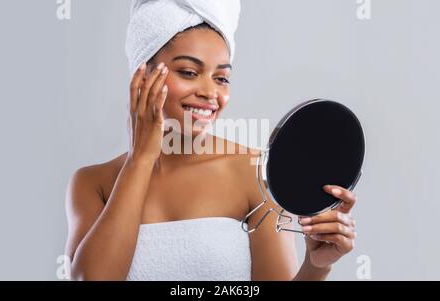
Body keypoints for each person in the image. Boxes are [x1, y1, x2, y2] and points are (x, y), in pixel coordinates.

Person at [64, 0, 357, 281]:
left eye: (221, 78)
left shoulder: (256, 174)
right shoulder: (93, 184)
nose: (209, 92)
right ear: (142, 75)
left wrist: (316, 268)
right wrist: (140, 159)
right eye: (189, 72)